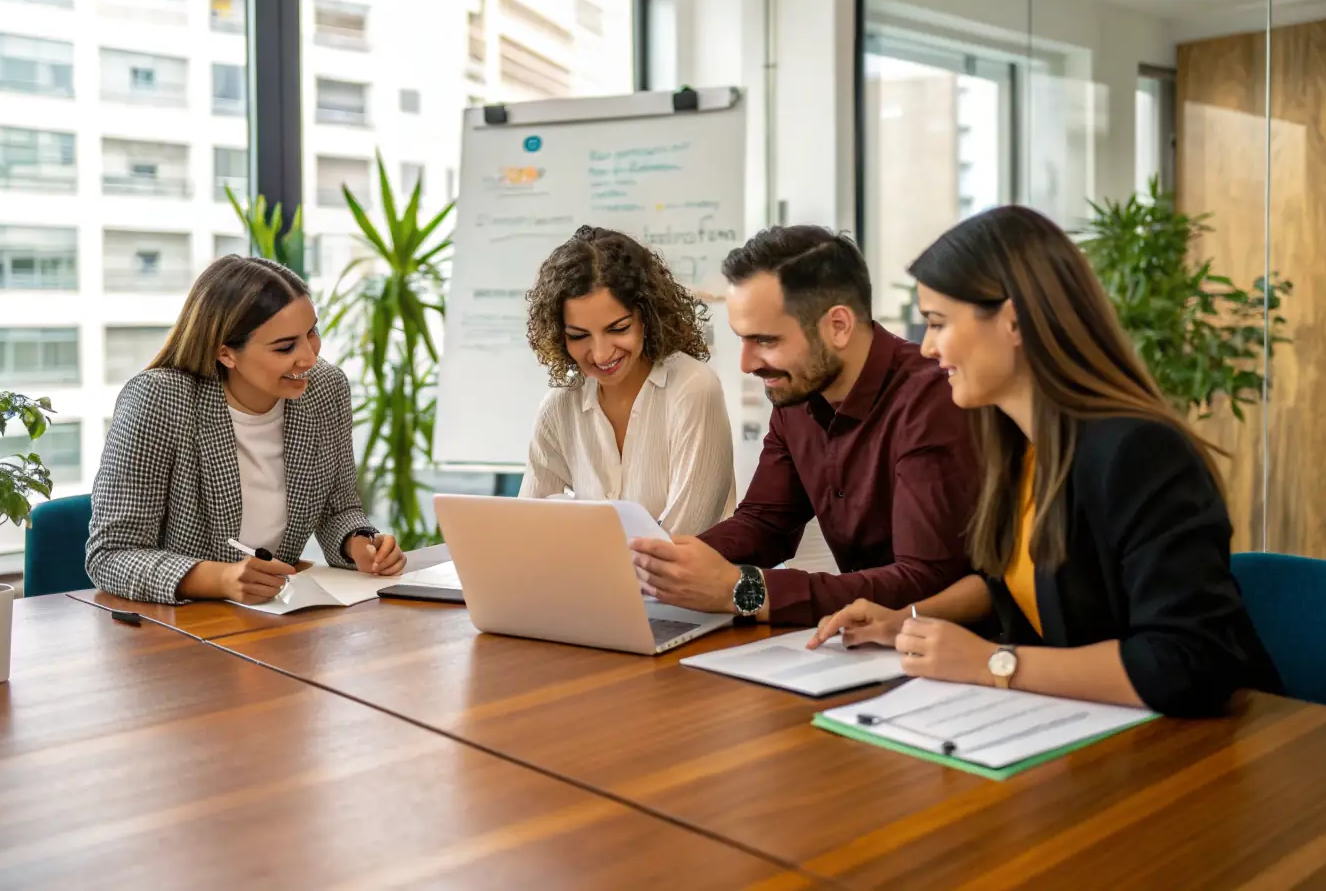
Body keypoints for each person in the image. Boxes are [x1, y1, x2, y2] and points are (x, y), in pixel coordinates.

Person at [807, 206, 1281, 717]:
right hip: (1089, 730)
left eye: (939, 324)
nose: (926, 349)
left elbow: (1190, 661)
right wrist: (907, 620)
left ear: (1014, 321)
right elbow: (1010, 582)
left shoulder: (1140, 454)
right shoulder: (1017, 445)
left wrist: (993, 663)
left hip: (1194, 749)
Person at [631, 225, 979, 626]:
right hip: (859, 643)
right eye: (742, 339)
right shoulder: (799, 391)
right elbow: (765, 522)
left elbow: (925, 581)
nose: (747, 363)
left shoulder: (932, 400)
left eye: (766, 340)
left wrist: (745, 589)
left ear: (838, 326)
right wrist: (663, 562)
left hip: (949, 650)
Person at [87, 256, 404, 606]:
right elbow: (111, 554)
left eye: (312, 332)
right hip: (181, 625)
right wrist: (221, 578)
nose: (310, 358)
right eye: (285, 346)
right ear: (225, 353)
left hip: (278, 616)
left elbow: (337, 508)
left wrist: (360, 544)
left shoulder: (324, 390)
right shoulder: (159, 399)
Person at [520, 225, 735, 535]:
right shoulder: (560, 406)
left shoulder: (692, 388)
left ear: (647, 316)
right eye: (579, 336)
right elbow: (530, 525)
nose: (601, 353)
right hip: (591, 581)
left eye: (618, 329)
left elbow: (683, 538)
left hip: (683, 582)